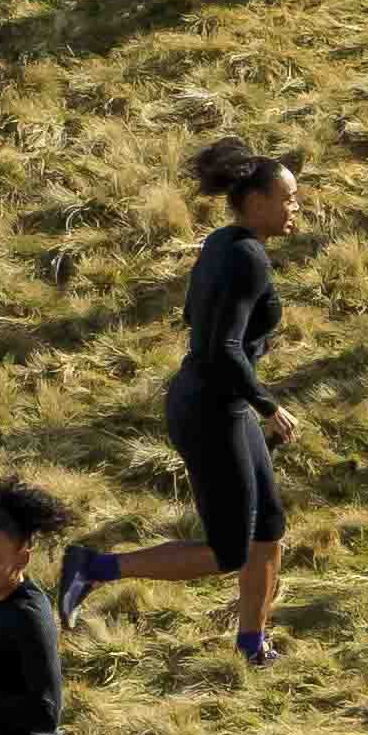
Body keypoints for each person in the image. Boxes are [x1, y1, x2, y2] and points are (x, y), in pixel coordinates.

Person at [51, 142, 305, 659]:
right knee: (227, 551)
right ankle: (94, 568)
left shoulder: (221, 243)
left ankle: (252, 645)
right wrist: (265, 405)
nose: (296, 207)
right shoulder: (247, 258)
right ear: (255, 201)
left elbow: (196, 319)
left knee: (268, 532)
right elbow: (222, 347)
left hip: (215, 401)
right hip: (213, 410)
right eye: (288, 198)